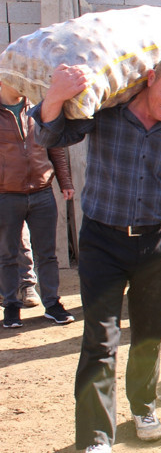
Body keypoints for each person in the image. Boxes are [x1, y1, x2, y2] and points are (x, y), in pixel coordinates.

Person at [33, 53, 161, 452]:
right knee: (100, 338)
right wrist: (54, 98)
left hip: (156, 242)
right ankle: (95, 435)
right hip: (102, 240)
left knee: (149, 335)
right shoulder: (108, 110)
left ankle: (143, 407)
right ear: (150, 77)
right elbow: (51, 137)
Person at [1, 80, 75, 328]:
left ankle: (52, 304)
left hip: (42, 193)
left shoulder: (39, 108)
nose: (20, 82)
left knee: (48, 254)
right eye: (14, 78)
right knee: (7, 255)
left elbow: (55, 146)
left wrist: (65, 181)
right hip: (6, 195)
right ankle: (11, 306)